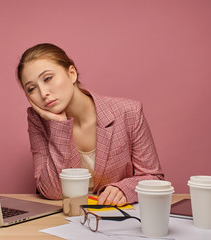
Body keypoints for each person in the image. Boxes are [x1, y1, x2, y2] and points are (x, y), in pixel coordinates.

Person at [16, 43, 164, 206]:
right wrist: (59, 125)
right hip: (66, 218)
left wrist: (123, 189)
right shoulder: (38, 121)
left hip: (115, 216)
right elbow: (53, 192)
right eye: (31, 89)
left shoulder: (129, 112)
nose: (43, 93)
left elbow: (153, 178)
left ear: (71, 73)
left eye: (48, 78)